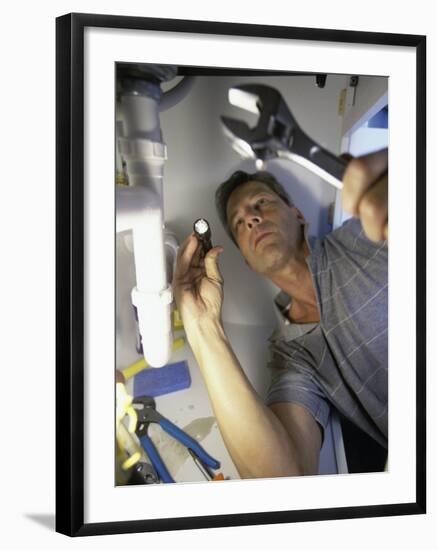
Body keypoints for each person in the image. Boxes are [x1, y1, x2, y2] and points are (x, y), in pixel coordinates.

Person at [173, 149, 388, 478]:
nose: (251, 219)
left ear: (298, 215)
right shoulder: (291, 355)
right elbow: (281, 478)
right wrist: (202, 327)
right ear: (247, 260)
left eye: (261, 203)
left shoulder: (365, 236)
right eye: (238, 223)